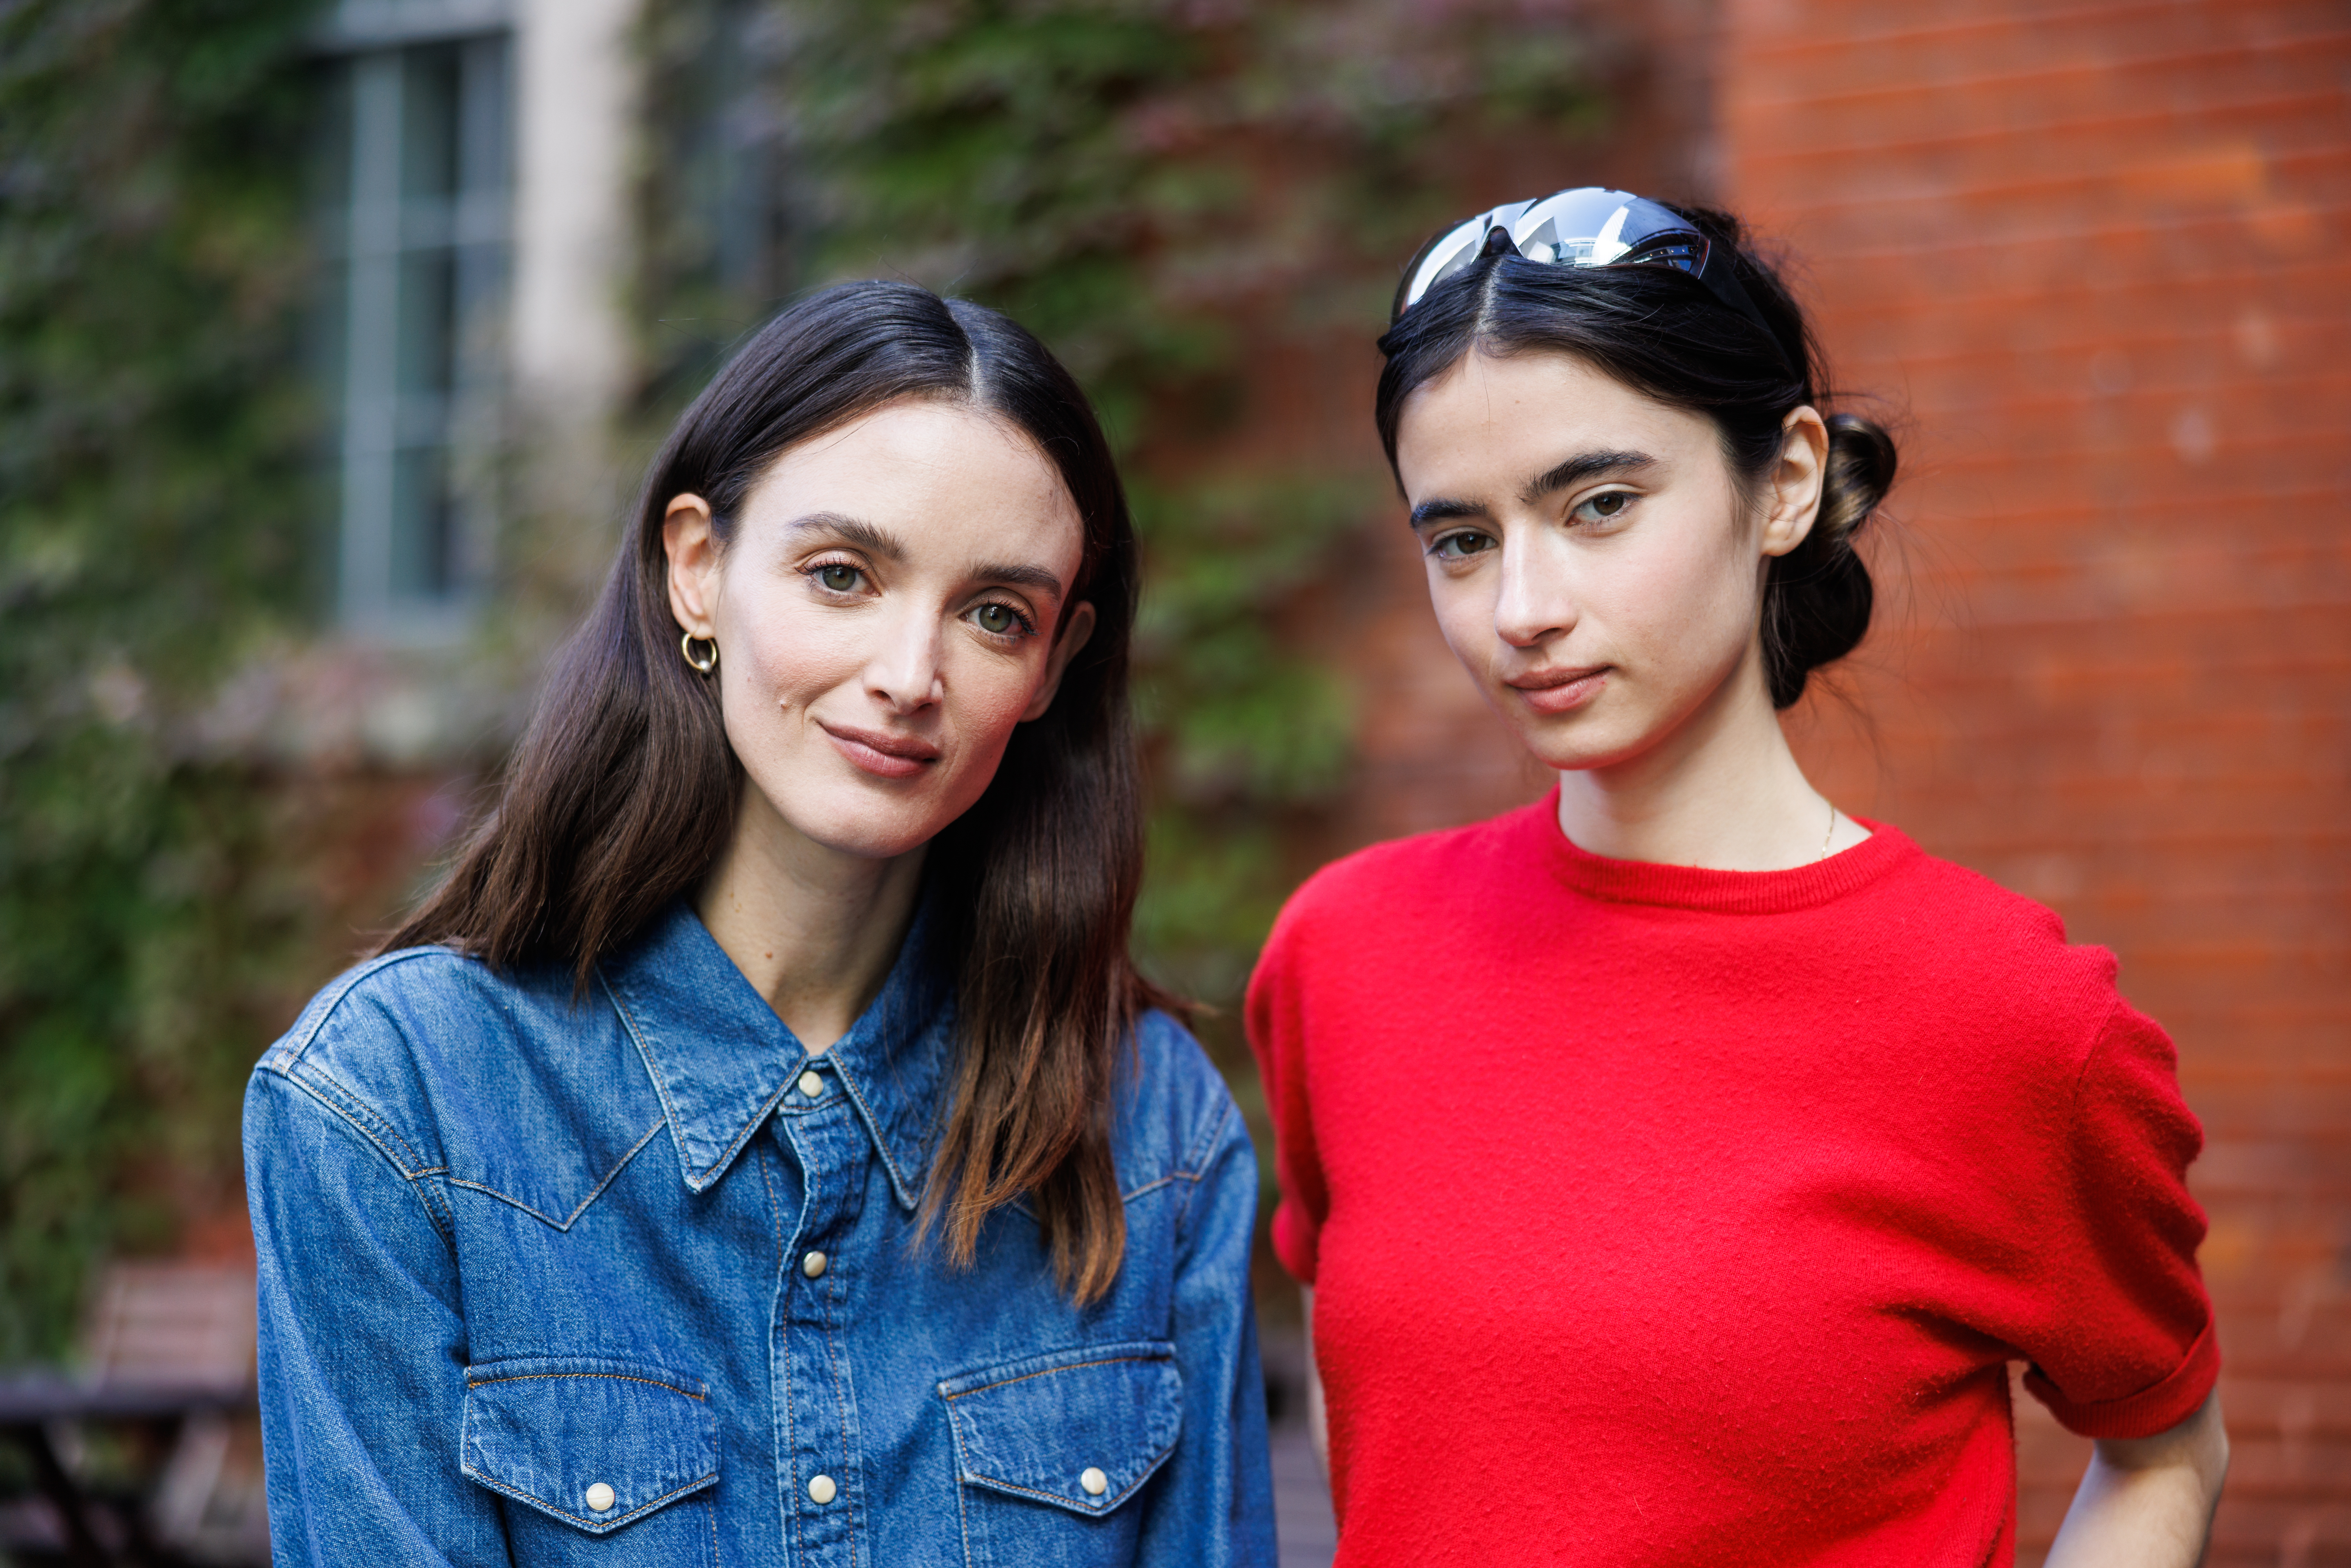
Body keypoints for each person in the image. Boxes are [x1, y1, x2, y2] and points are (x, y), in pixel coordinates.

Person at [1247, 189, 2226, 1566]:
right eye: (1461, 538)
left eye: (1598, 504)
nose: (1522, 607)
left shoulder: (2014, 1020)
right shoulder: (1341, 950)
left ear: (1784, 483)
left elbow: (2166, 1448)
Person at [245, 281, 1275, 1567]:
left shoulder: (1153, 1131)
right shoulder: (395, 1102)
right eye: (842, 575)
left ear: (1053, 665)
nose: (910, 675)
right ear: (698, 568)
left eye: (993, 613)